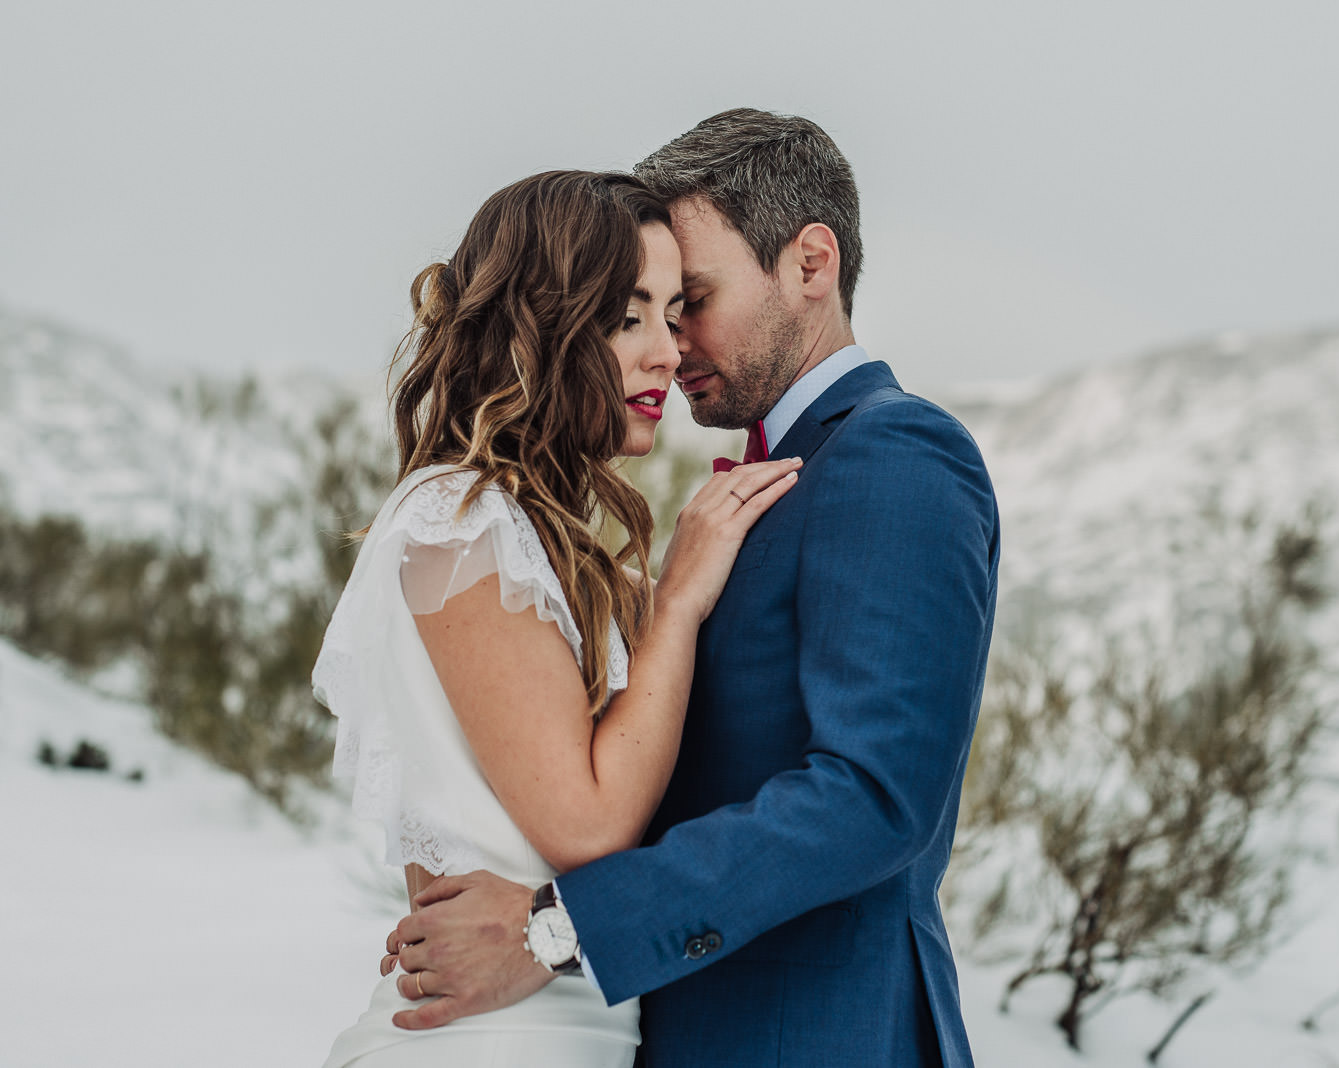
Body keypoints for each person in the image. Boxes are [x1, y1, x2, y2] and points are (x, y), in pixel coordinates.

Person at [381, 109, 1001, 1066]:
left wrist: (559, 932)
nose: (673, 346)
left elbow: (873, 794)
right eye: (647, 313)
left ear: (810, 262)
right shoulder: (742, 491)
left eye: (691, 299)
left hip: (816, 1036)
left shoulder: (893, 455)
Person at [312, 169, 801, 1067]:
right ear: (542, 327)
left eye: (672, 311)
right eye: (628, 318)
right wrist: (680, 599)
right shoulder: (459, 521)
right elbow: (584, 827)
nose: (667, 351)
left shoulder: (526, 529)